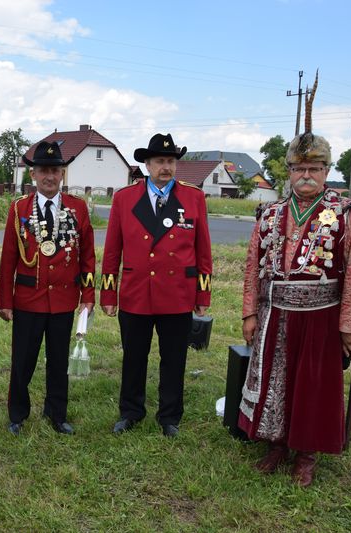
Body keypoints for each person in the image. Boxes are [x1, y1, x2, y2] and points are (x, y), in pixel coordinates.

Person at [239, 76, 351, 487]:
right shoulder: (270, 213)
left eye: (315, 168)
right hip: (275, 312)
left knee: (312, 387)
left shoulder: (346, 213)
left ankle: (307, 455)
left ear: (326, 170)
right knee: (275, 380)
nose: (306, 175)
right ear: (290, 170)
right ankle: (276, 443)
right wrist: (248, 312)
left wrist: (347, 324)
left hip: (321, 314)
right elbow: (250, 264)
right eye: (299, 168)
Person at [100, 133, 212, 438]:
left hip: (177, 294)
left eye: (171, 161)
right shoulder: (124, 198)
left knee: (174, 358)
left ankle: (169, 416)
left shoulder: (193, 198)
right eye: (160, 161)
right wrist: (109, 292)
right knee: (134, 357)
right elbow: (112, 250)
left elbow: (203, 250)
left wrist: (203, 293)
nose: (166, 167)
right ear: (147, 165)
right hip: (137, 292)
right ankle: (131, 411)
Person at [0, 141, 95, 436]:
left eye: (55, 170)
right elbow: (9, 259)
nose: (49, 176)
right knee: (22, 361)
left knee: (58, 361)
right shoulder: (19, 209)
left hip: (64, 300)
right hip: (28, 299)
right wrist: (5, 300)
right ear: (33, 175)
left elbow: (87, 257)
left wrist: (88, 297)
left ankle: (56, 413)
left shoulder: (77, 208)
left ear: (62, 174)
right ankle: (17, 414)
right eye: (43, 171)